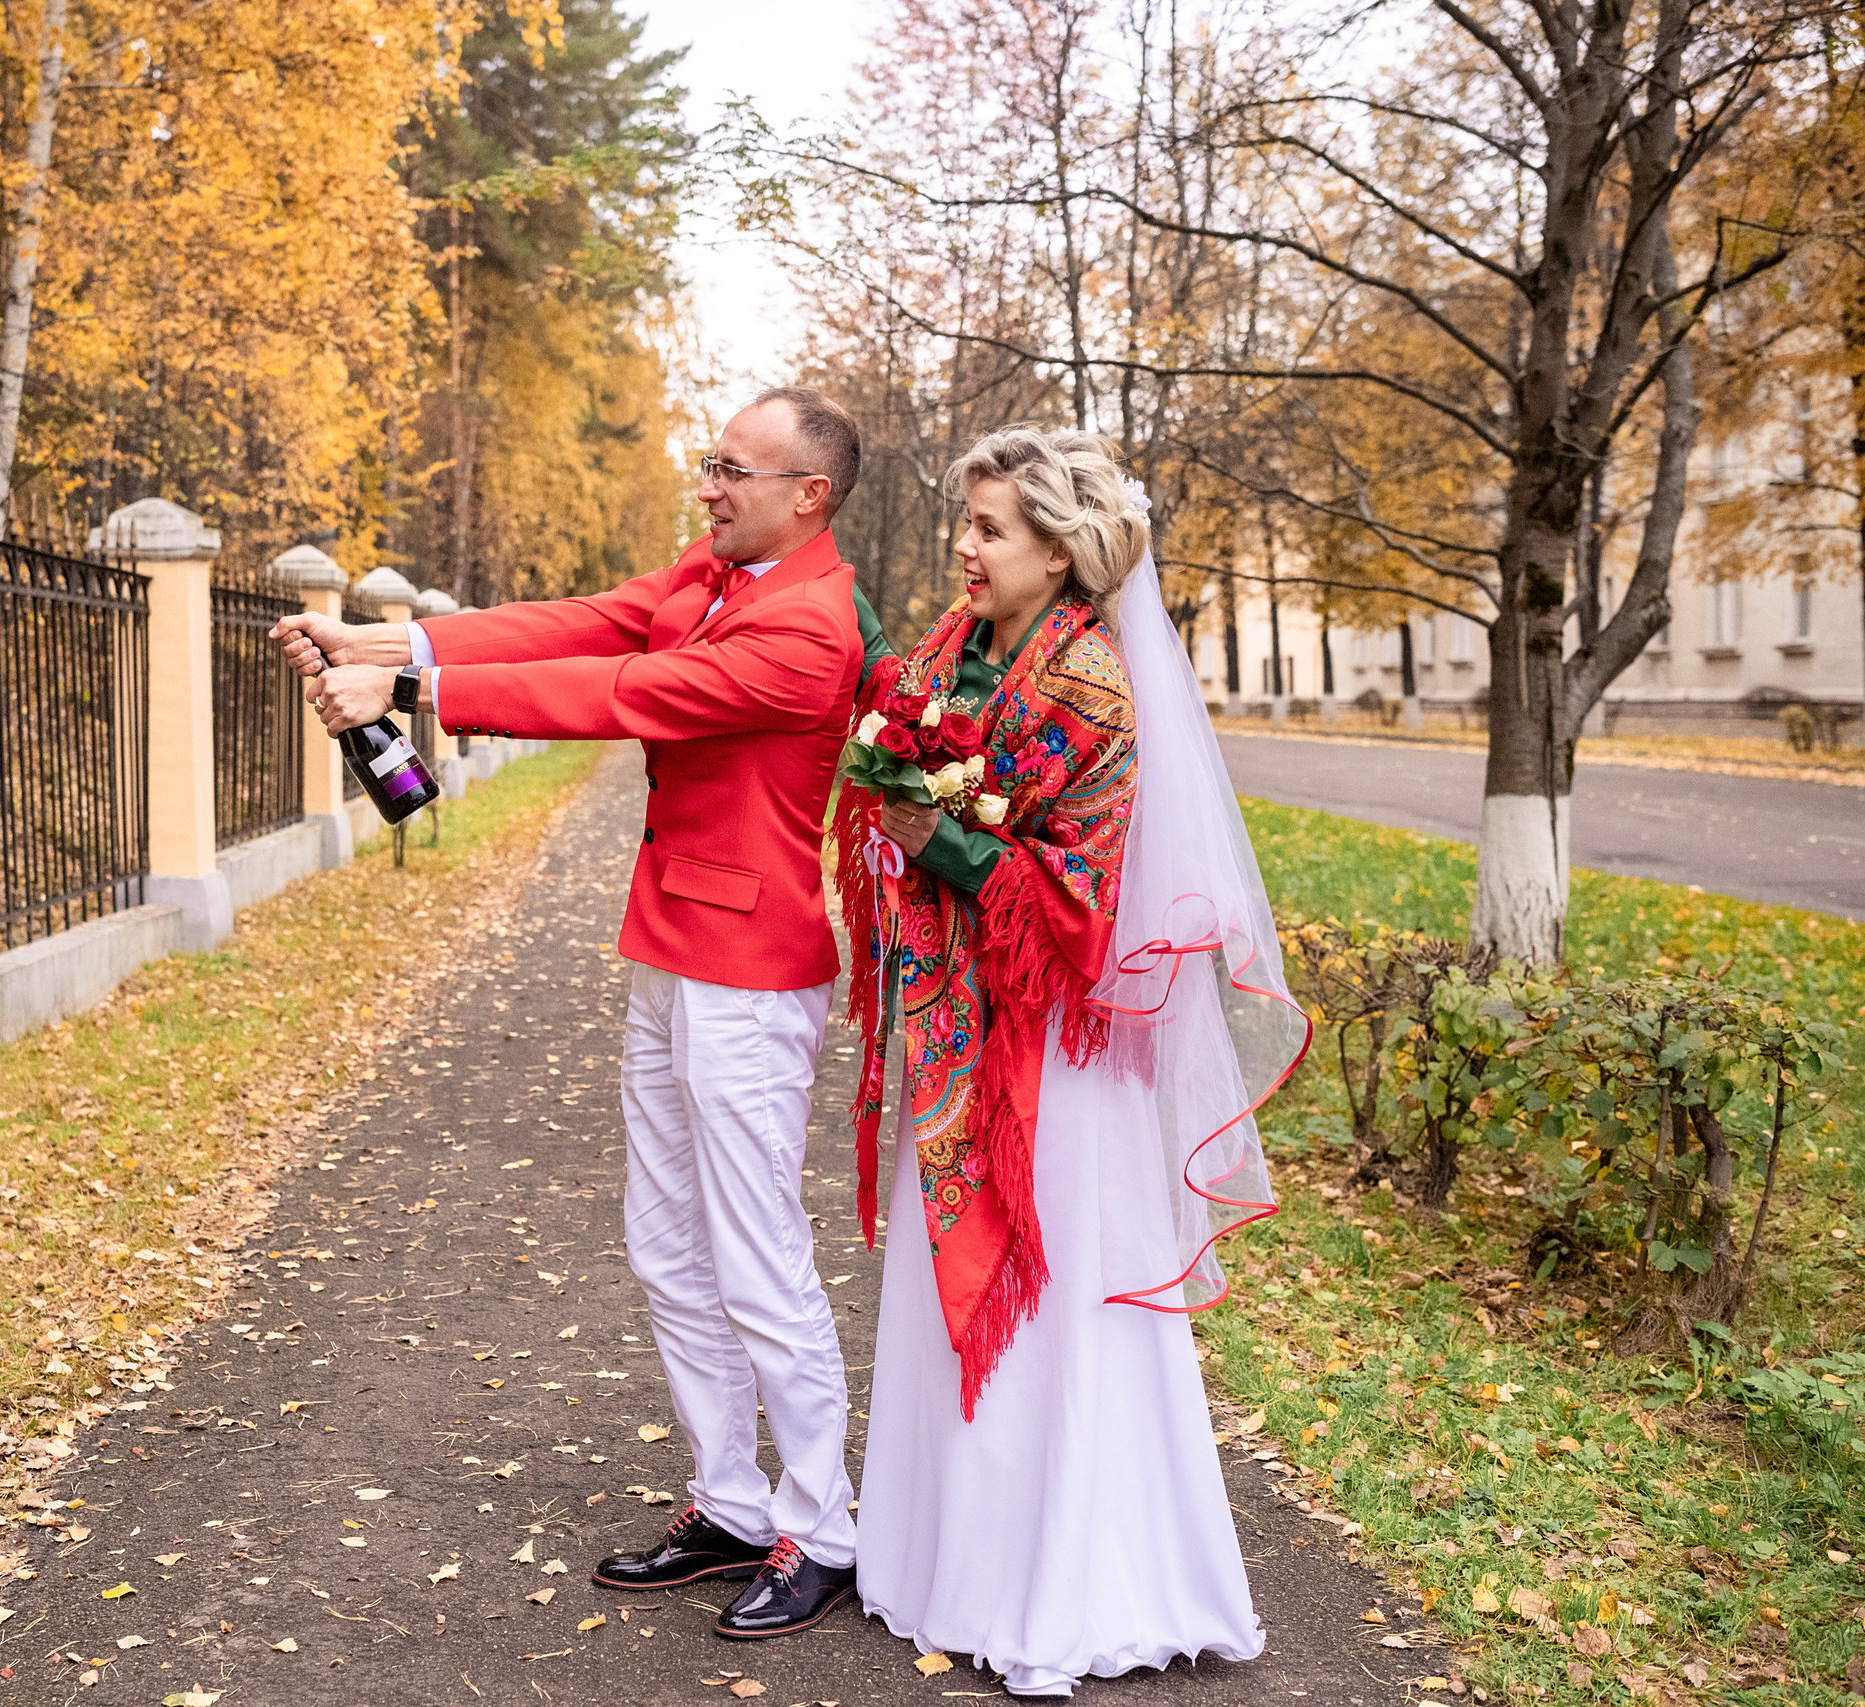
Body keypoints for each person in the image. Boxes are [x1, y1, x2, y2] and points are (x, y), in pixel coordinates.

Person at [270, 388, 886, 1641]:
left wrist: (393, 673)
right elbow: (581, 621)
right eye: (709, 464)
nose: (708, 488)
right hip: (670, 948)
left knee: (759, 1261)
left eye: (735, 472)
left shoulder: (813, 626)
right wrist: (395, 644)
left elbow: (624, 688)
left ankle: (824, 1531)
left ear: (808, 495)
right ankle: (727, 1501)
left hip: (753, 972)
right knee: (664, 1245)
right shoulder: (709, 576)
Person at [833, 427, 1304, 1692]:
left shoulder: (1092, 687)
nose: (965, 548)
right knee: (943, 1288)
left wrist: (936, 842)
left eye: (989, 529)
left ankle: (1074, 1582)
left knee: (1060, 1307)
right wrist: (893, 822)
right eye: (969, 524)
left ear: (1062, 550)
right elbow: (899, 769)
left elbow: (1082, 902)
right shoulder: (943, 657)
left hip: (1053, 1053)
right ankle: (944, 1567)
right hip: (954, 1025)